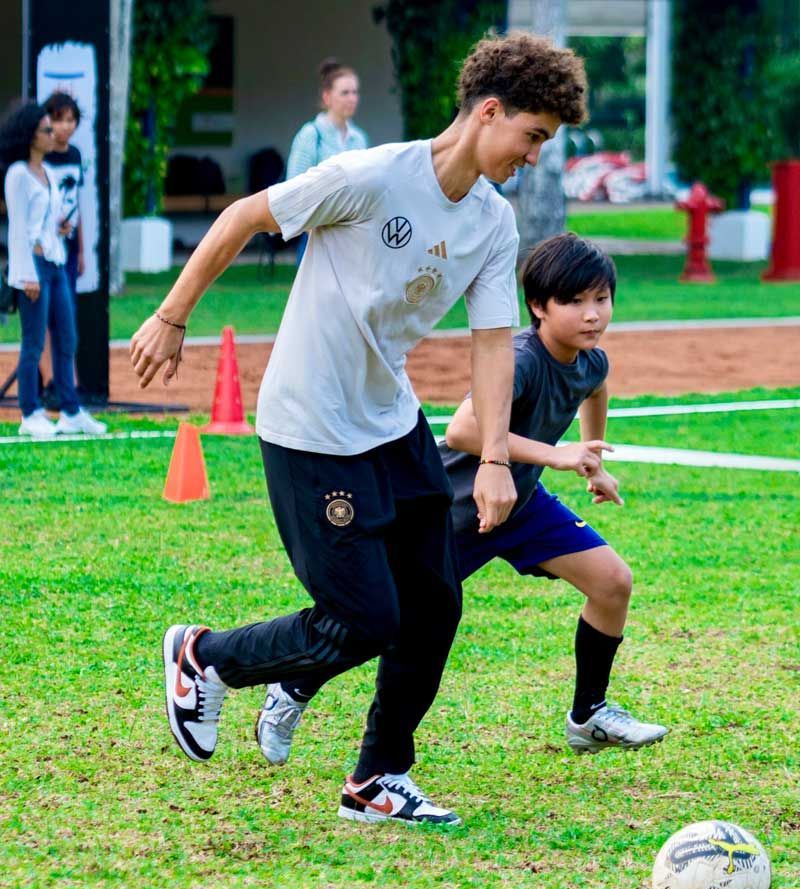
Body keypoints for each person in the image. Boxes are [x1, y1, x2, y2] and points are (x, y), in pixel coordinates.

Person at [130, 32, 588, 826]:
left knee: (435, 603)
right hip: (310, 424)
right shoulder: (374, 176)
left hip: (391, 423)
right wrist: (173, 316)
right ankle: (202, 657)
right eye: (533, 136)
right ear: (489, 112)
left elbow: (489, 342)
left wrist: (494, 462)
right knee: (367, 618)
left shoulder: (493, 221)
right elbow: (244, 215)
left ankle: (377, 778)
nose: (535, 156)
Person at [256, 234, 668, 774]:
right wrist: (557, 453)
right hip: (450, 512)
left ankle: (588, 714)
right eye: (574, 302)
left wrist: (594, 458)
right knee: (383, 621)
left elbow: (596, 389)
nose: (592, 315)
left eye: (601, 299)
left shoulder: (590, 360)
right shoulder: (519, 360)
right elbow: (465, 429)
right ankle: (292, 684)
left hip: (520, 507)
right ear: (540, 307)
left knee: (612, 581)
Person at [0, 103, 105, 438]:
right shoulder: (18, 174)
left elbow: (44, 220)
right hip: (34, 268)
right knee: (33, 342)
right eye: (47, 129)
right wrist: (26, 275)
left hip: (57, 262)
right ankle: (30, 412)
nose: (53, 134)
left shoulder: (47, 171)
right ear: (31, 135)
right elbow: (17, 230)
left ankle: (71, 411)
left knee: (67, 337)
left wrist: (58, 227)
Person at [286, 58, 368, 263]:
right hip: (316, 236)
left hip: (351, 238)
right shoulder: (311, 134)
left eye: (355, 92)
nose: (352, 98)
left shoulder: (359, 138)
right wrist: (310, 231)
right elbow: (293, 188)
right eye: (345, 93)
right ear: (327, 97)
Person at [43, 92, 85, 307]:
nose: (65, 126)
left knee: (67, 306)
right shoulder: (42, 157)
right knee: (50, 307)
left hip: (70, 243)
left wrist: (81, 251)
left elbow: (77, 202)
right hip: (48, 244)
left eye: (70, 120)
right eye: (59, 120)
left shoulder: (76, 155)